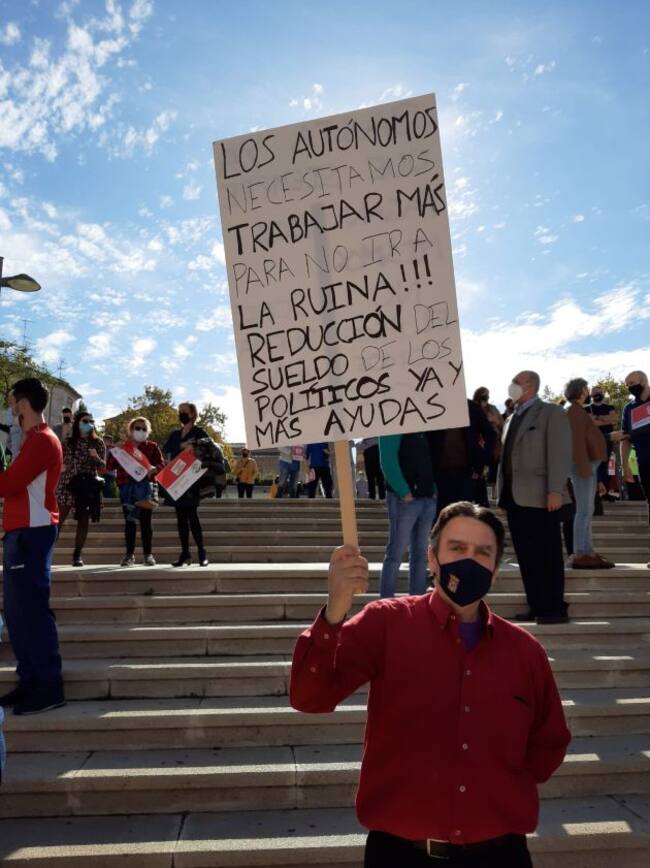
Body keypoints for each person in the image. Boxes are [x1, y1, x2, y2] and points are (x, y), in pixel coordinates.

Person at [290, 502, 571, 868]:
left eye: (482, 552)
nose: (469, 560)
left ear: (496, 569)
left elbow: (548, 743)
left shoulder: (524, 651)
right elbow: (311, 696)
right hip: (402, 854)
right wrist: (334, 612)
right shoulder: (387, 624)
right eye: (456, 548)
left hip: (500, 854)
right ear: (432, 558)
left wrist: (494, 792)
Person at [0, 378, 65, 715]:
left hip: (33, 532)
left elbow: (9, 483)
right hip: (21, 532)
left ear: (23, 403)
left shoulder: (41, 440)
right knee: (16, 613)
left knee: (33, 613)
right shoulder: (30, 441)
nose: (10, 408)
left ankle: (50, 687)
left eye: (12, 401)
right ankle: (30, 681)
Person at [497, 370, 572, 624]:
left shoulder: (551, 412)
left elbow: (560, 452)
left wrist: (555, 490)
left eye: (516, 382)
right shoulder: (510, 418)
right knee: (526, 556)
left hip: (542, 496)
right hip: (514, 498)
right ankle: (537, 604)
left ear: (530, 385)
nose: (512, 386)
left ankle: (554, 608)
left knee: (547, 554)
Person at [378, 431, 437, 597]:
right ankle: (385, 602)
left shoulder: (422, 427)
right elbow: (387, 461)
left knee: (420, 554)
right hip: (404, 499)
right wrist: (403, 491)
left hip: (426, 498)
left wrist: (433, 490)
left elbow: (427, 460)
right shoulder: (392, 424)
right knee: (395, 553)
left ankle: (417, 601)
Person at [564, 379, 613, 569]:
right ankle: (581, 552)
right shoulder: (574, 411)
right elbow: (577, 442)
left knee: (587, 510)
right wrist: (585, 468)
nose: (588, 391)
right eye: (585, 388)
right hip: (582, 467)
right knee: (583, 511)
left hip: (586, 467)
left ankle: (587, 550)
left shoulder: (577, 410)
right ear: (580, 391)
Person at [106, 417, 164, 567]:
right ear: (131, 430)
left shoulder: (152, 446)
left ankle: (148, 555)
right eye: (138, 428)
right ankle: (129, 556)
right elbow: (110, 466)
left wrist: (154, 468)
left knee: (146, 522)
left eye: (144, 429)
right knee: (130, 521)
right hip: (127, 487)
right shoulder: (123, 447)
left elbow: (161, 464)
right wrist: (115, 451)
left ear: (148, 431)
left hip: (146, 487)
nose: (141, 431)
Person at [57, 406, 106, 567]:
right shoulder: (69, 442)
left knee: (83, 521)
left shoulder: (98, 442)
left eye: (92, 421)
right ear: (78, 423)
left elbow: (102, 466)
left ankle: (77, 554)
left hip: (87, 486)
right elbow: (60, 461)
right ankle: (46, 550)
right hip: (68, 484)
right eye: (86, 421)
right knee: (58, 519)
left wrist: (95, 457)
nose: (89, 424)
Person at [429, 399, 496, 514]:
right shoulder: (431, 405)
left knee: (464, 516)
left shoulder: (471, 407)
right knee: (440, 519)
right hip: (439, 475)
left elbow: (490, 435)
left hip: (466, 474)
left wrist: (481, 462)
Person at [162, 402, 209, 567]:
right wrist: (182, 445)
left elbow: (208, 447)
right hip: (177, 479)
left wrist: (194, 447)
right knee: (180, 518)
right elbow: (166, 448)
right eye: (179, 411)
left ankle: (202, 553)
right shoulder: (176, 434)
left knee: (193, 516)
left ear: (192, 414)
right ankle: (185, 554)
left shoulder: (199, 432)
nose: (181, 414)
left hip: (192, 479)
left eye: (184, 412)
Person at [612, 371, 650, 565]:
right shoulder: (629, 408)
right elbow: (625, 438)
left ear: (643, 380)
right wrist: (624, 465)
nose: (629, 387)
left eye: (632, 382)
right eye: (627, 384)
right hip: (644, 462)